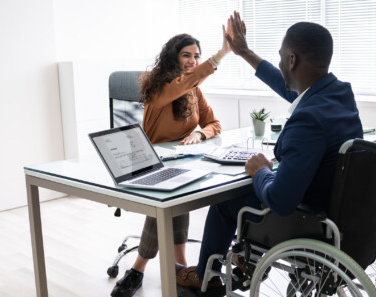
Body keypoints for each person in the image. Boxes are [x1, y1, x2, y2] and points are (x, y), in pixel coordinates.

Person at [176, 11, 363, 290]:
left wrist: (261, 169)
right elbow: (289, 89)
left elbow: (281, 200)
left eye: (280, 56)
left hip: (306, 220)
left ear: (291, 60)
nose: (279, 62)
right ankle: (246, 262)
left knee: (226, 202)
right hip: (340, 213)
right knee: (251, 190)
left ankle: (207, 277)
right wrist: (244, 52)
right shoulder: (338, 95)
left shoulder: (308, 119)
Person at [111, 30, 231, 297]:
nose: (192, 60)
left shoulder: (194, 90)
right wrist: (221, 55)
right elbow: (184, 82)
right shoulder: (159, 87)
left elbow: (215, 124)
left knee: (179, 197)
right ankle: (141, 269)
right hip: (151, 163)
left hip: (184, 162)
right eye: (186, 55)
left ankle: (176, 267)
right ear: (172, 58)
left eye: (196, 56)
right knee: (169, 203)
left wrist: (199, 133)